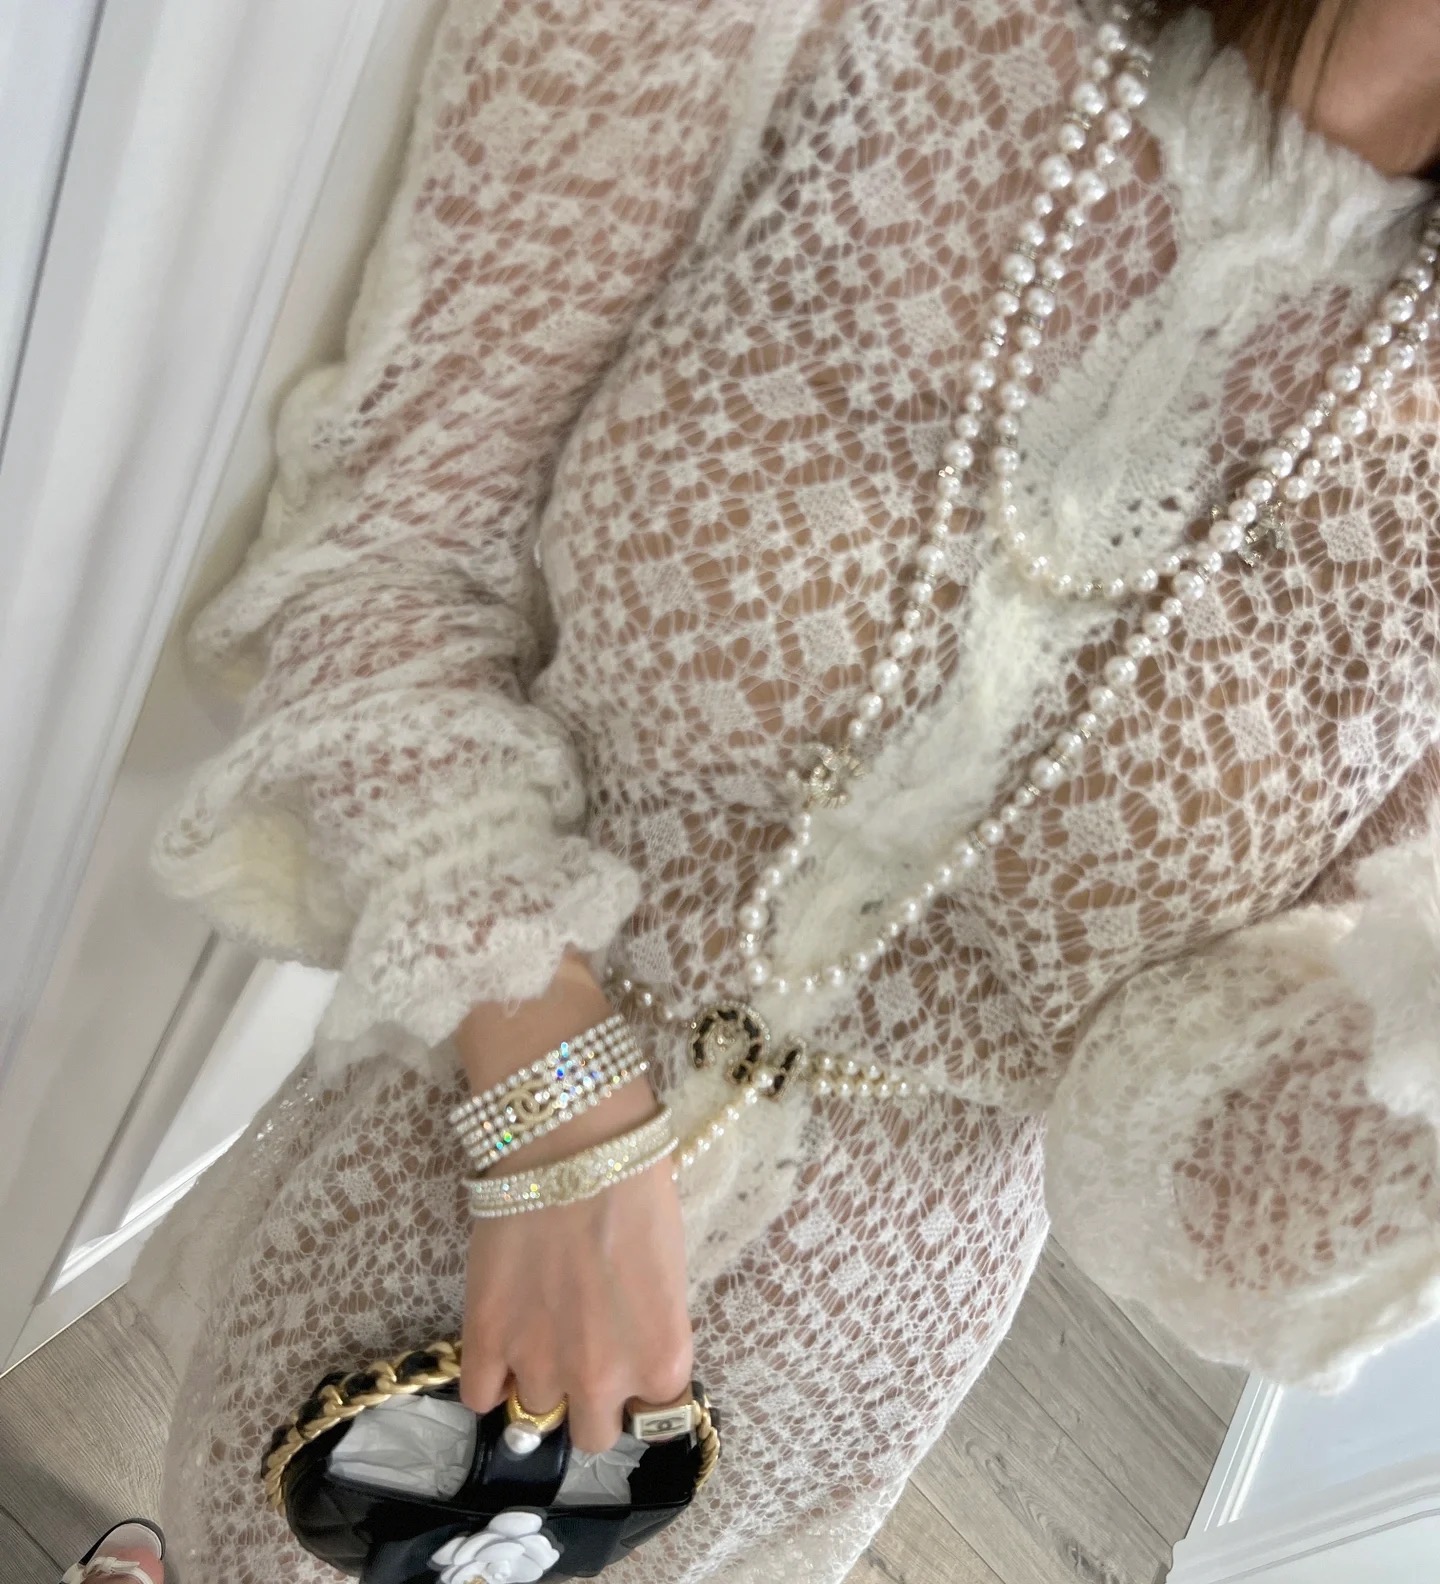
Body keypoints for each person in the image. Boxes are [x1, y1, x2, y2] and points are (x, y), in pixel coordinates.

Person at [130, 0, 1440, 1578]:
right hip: (447, 1166)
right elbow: (381, 556)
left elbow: (1184, 1180)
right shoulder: (818, 29)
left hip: (834, 1382)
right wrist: (550, 1103)